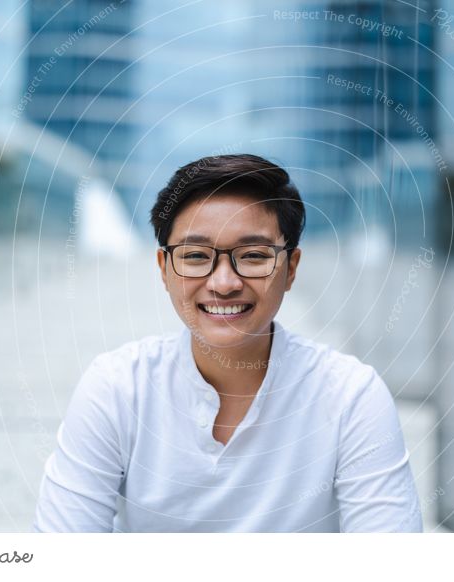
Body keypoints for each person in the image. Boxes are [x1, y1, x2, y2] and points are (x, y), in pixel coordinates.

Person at [32, 153, 423, 532]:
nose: (224, 283)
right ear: (164, 269)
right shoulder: (117, 388)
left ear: (291, 269)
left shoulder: (351, 396)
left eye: (253, 255)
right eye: (196, 255)